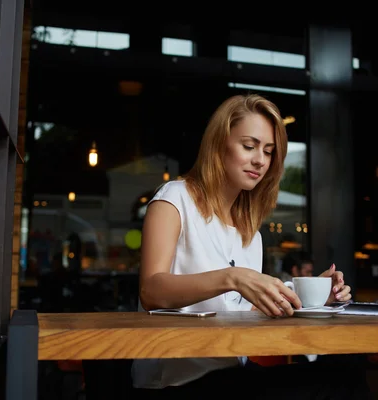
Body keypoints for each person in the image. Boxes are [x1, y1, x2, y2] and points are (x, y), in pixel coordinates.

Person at [131, 94, 365, 399]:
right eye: (249, 146)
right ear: (219, 144)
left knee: (345, 372)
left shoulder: (249, 233)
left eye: (268, 151)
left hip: (231, 374)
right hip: (177, 381)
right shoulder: (174, 199)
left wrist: (309, 297)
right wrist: (233, 277)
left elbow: (244, 313)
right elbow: (151, 291)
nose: (260, 160)